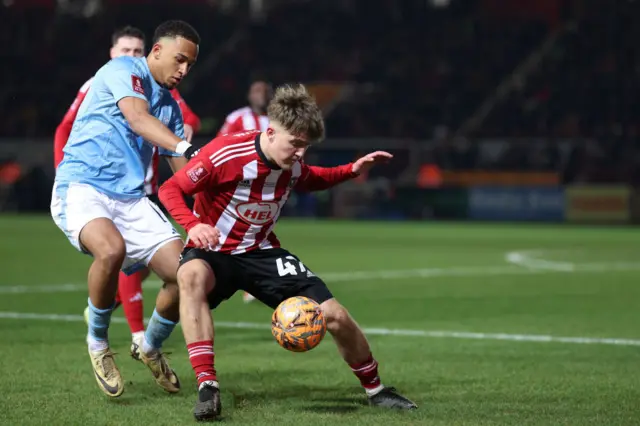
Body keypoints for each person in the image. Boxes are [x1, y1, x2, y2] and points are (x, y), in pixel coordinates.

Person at [158, 83, 417, 421]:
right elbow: (171, 188)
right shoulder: (225, 153)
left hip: (262, 252)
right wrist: (192, 225)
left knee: (334, 315)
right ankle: (208, 386)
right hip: (214, 251)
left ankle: (376, 390)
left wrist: (350, 171)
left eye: (306, 146)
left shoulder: (292, 162)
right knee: (189, 276)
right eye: (295, 144)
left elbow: (311, 178)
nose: (300, 154)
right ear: (269, 132)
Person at [51, 20, 201, 398]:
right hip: (84, 186)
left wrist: (210, 201)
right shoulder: (123, 70)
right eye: (179, 60)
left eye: (190, 66)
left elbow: (184, 177)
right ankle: (98, 344)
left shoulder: (169, 108)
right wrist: (184, 147)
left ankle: (149, 346)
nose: (183, 71)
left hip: (131, 199)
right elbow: (136, 117)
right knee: (111, 250)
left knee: (189, 274)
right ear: (156, 51)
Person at [217, 78, 273, 303]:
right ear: (249, 95)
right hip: (239, 185)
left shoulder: (277, 119)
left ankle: (251, 280)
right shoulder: (237, 117)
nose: (259, 95)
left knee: (260, 231)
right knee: (235, 230)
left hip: (268, 185)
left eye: (263, 91)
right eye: (255, 91)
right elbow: (220, 145)